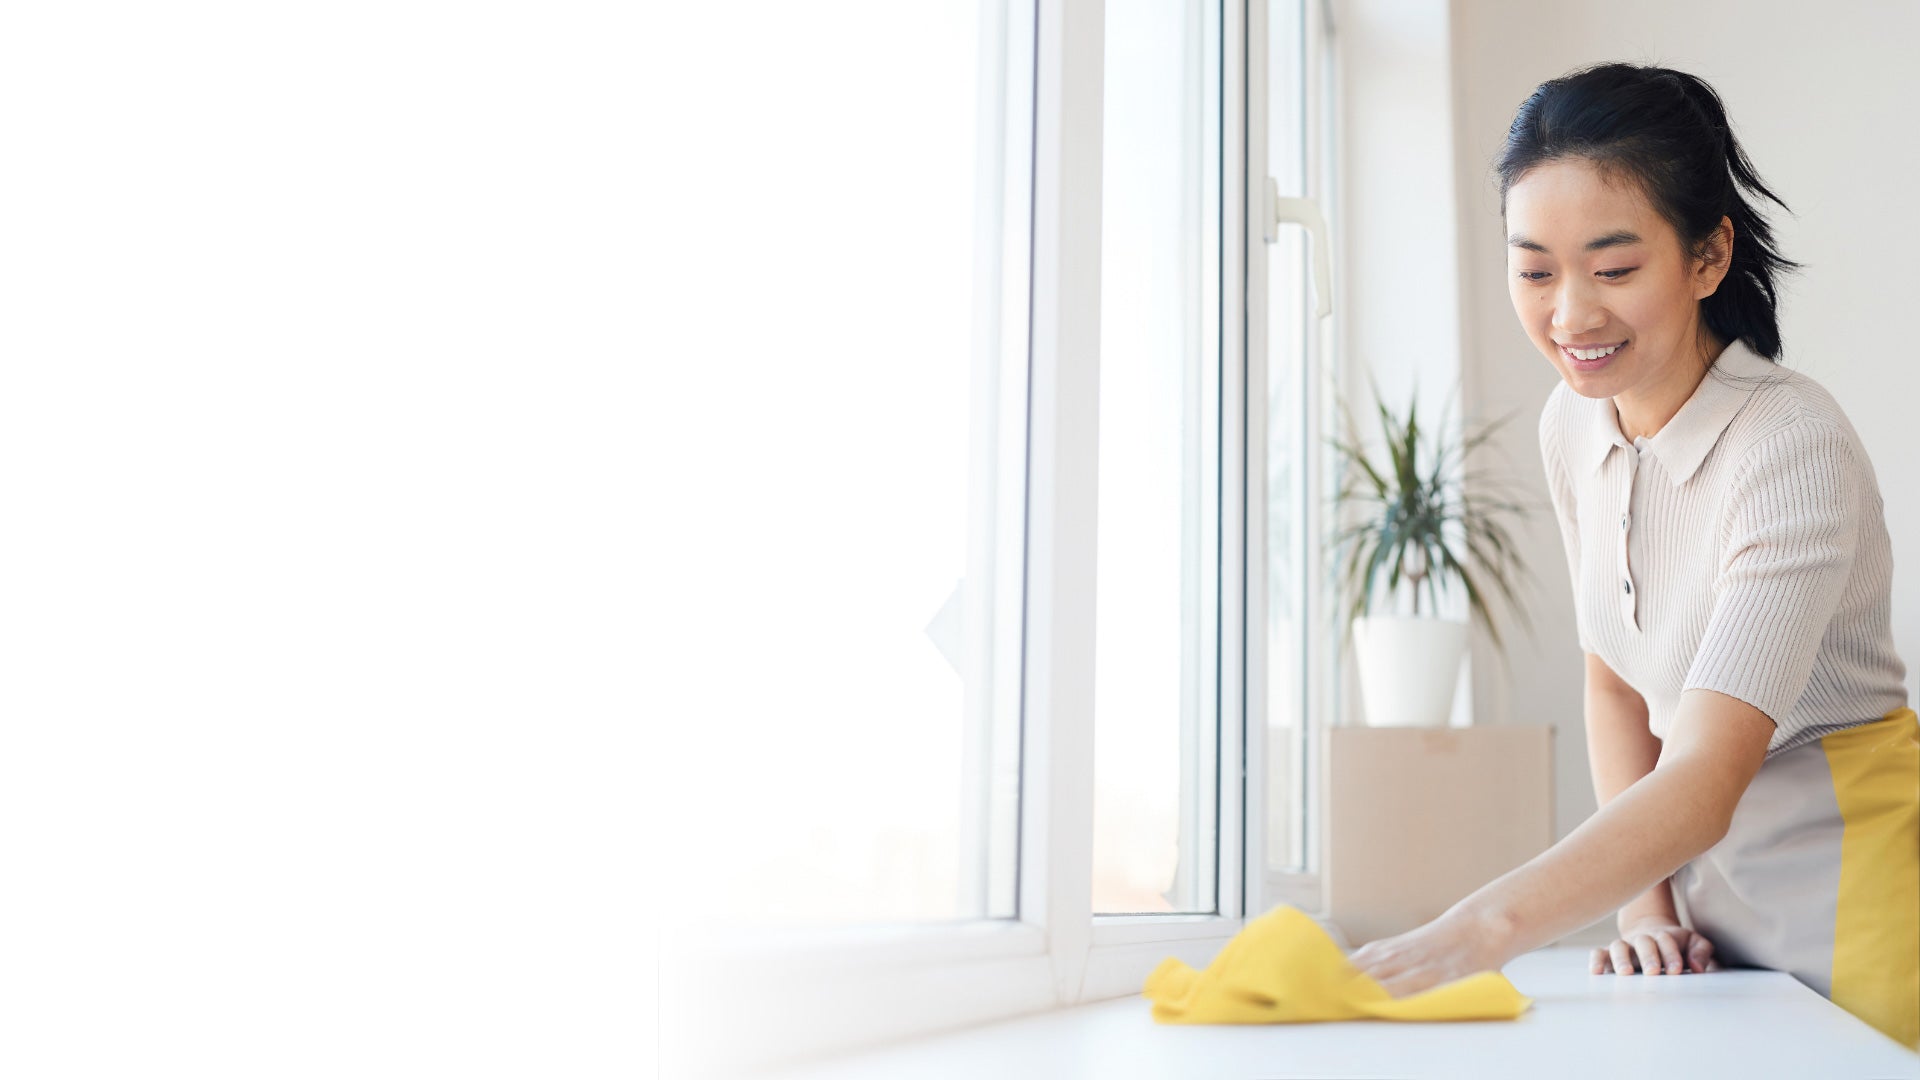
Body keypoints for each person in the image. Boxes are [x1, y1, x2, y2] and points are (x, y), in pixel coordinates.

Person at [1343, 61, 1919, 1052]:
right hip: (1700, 902)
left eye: (1613, 269)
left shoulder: (1789, 444)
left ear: (1708, 257)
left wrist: (1478, 930)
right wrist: (1645, 909)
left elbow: (1704, 769)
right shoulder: (1576, 424)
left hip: (1856, 891)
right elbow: (1616, 679)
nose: (1570, 316)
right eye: (1535, 270)